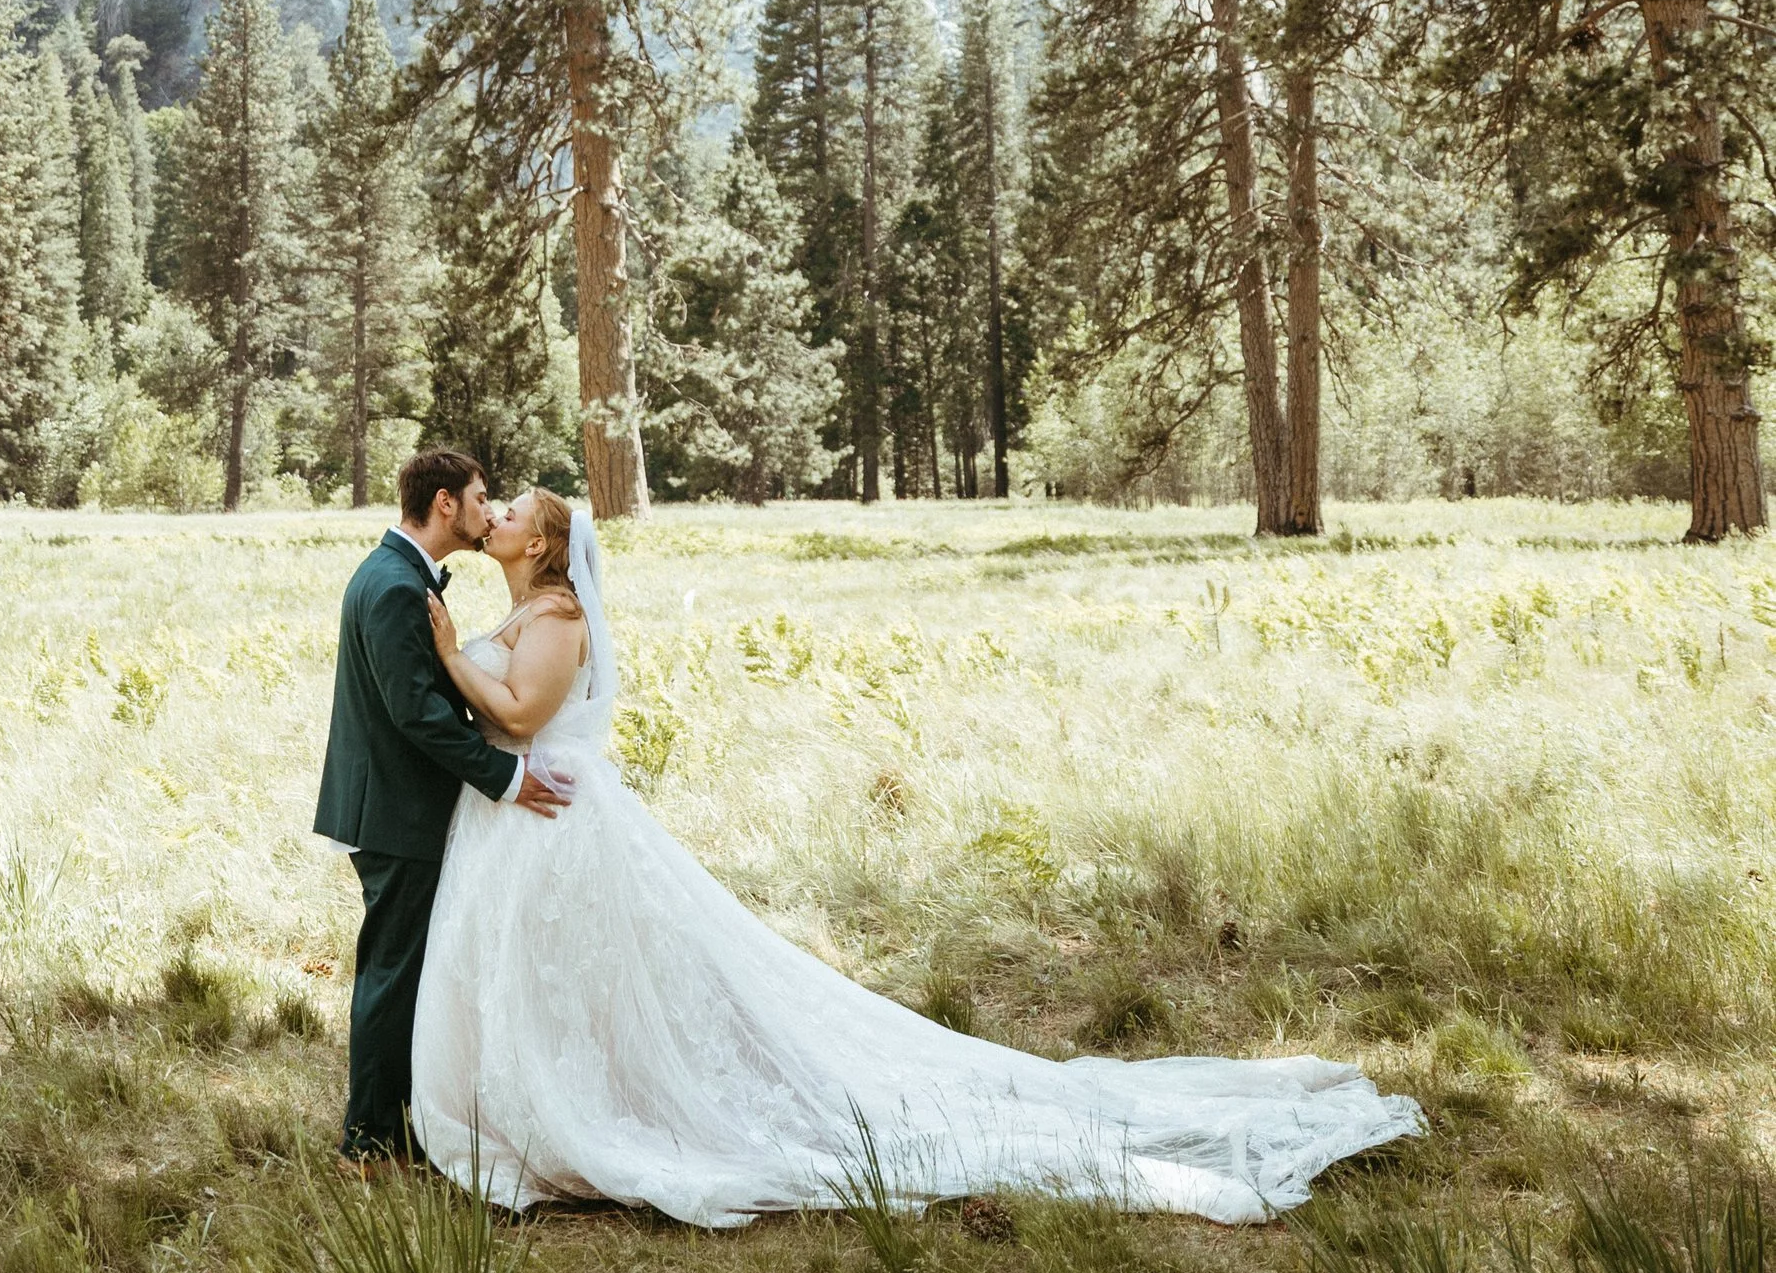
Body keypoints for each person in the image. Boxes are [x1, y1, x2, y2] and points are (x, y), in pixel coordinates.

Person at [409, 491, 1424, 1228]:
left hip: (551, 816)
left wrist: (451, 655)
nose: (487, 514)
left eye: (504, 512)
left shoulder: (556, 616)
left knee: (586, 972)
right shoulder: (522, 607)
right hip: (519, 824)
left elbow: (522, 711)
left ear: (538, 540)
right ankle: (542, 1104)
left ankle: (589, 1117)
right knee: (554, 979)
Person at [312, 443, 569, 1163]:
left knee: (410, 968)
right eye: (483, 497)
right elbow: (416, 715)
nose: (489, 512)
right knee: (394, 972)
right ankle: (368, 1140)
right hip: (396, 810)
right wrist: (508, 778)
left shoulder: (397, 573)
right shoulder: (395, 584)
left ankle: (407, 1120)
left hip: (398, 805)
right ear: (446, 503)